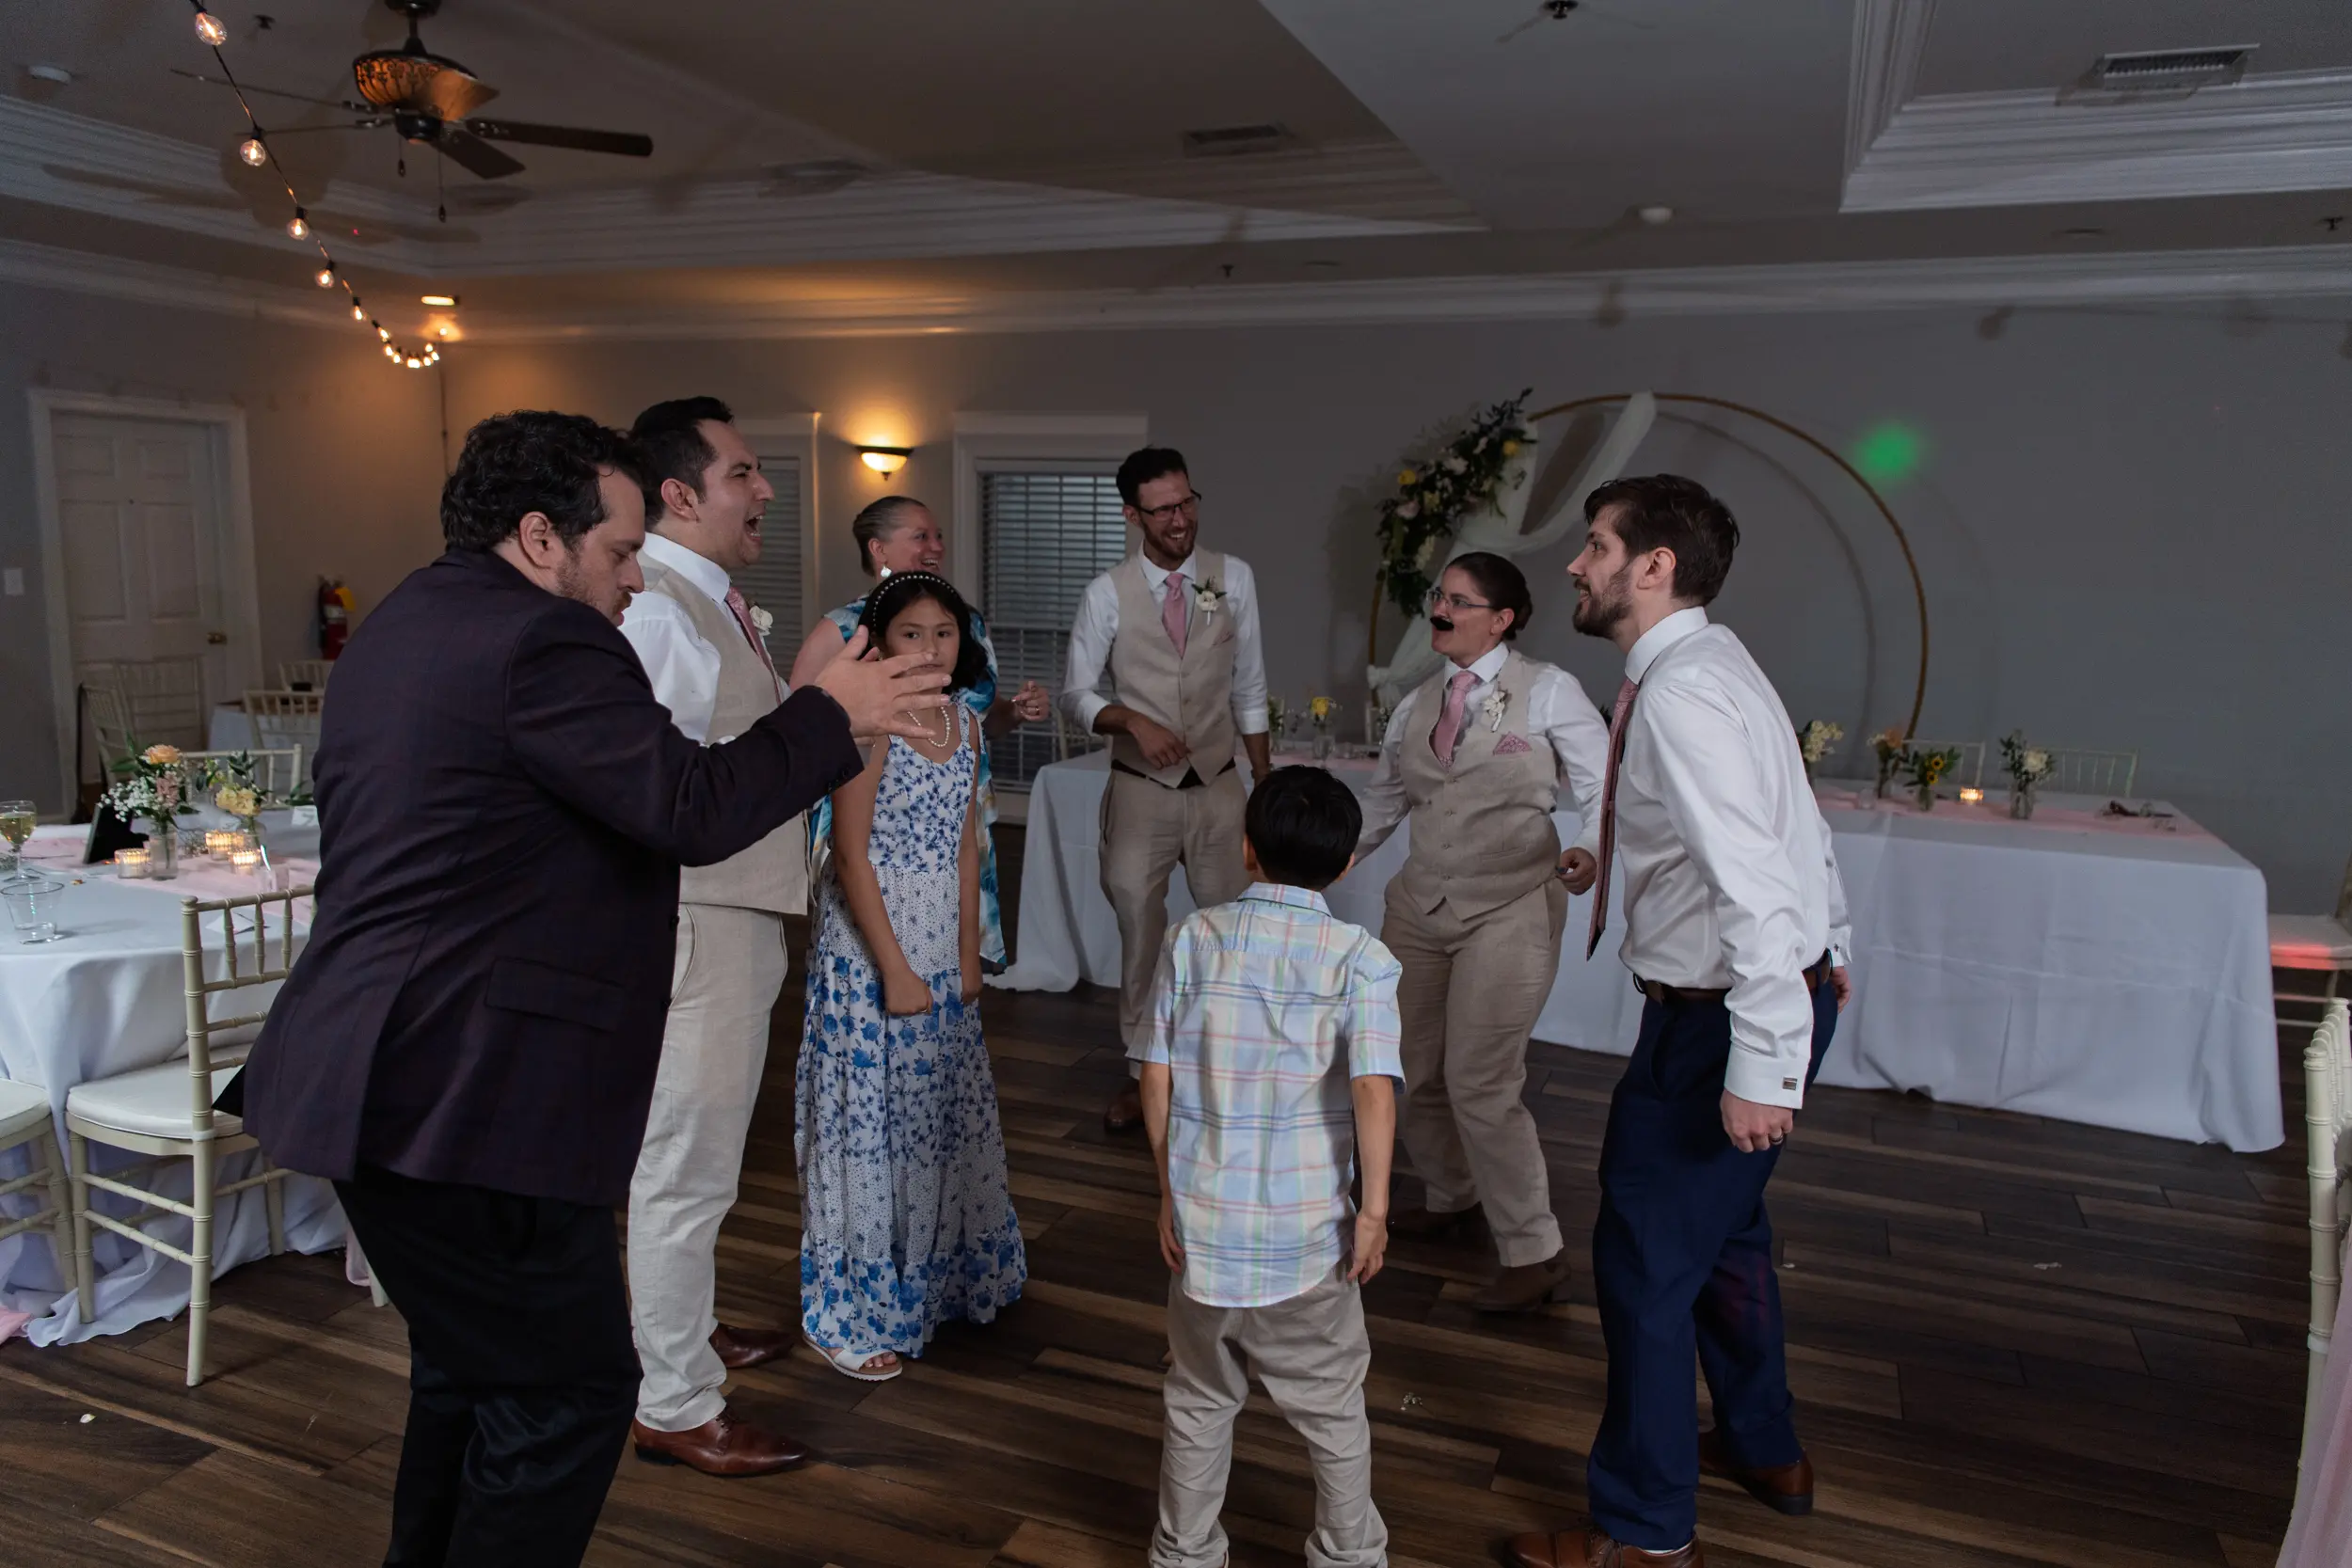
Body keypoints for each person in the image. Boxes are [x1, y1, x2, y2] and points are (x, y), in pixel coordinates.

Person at [231, 410, 948, 1568]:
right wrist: (833, 713)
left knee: (471, 1377)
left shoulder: (408, 616)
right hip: (466, 1091)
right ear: (537, 538)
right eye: (618, 551)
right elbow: (686, 807)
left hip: (373, 1066)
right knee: (570, 1392)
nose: (633, 578)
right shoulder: (543, 641)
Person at [1504, 476, 1852, 1568]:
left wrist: (1765, 1058)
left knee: (1644, 1265)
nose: (1576, 563)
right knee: (1726, 1237)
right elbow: (1788, 825)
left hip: (1719, 1023)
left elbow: (1750, 875)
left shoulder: (1684, 692)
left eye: (1596, 545)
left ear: (1653, 565)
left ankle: (1643, 1530)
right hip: (1755, 997)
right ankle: (1763, 1445)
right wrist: (1831, 949)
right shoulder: (1708, 660)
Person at [609, 396, 807, 1475]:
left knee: (701, 1159)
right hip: (699, 916)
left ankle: (684, 1331)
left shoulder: (702, 598)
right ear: (679, 495)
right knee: (684, 1166)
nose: (763, 489)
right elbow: (664, 794)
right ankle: (676, 1401)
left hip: (732, 911)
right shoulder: (657, 613)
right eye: (743, 472)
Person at [1139, 766, 1400, 1568]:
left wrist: (1167, 1191)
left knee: (1198, 1397)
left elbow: (1155, 1073)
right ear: (1347, 864)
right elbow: (1373, 1088)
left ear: (1246, 848)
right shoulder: (1361, 959)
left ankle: (1185, 1552)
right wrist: (1374, 1213)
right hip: (1307, 1242)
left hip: (1204, 1233)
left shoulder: (1191, 938)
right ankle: (1348, 1552)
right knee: (1332, 1405)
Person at [1355, 552, 1608, 1314]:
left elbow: (1605, 789)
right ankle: (1452, 1191)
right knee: (1410, 1064)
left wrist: (1589, 848)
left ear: (1500, 620)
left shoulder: (1551, 690)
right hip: (1419, 907)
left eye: (1459, 600)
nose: (1441, 607)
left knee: (1481, 1079)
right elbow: (1383, 804)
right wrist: (1317, 860)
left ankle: (1535, 1251)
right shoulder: (1415, 704)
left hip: (1512, 905)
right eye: (1440, 594)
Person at [797, 570, 1026, 1379]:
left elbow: (967, 845)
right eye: (911, 634)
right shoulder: (869, 725)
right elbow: (849, 854)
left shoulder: (965, 724)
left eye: (944, 633)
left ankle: (938, 1276)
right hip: (873, 939)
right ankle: (852, 1308)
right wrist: (894, 970)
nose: (930, 649)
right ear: (880, 643)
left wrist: (967, 953)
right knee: (874, 1117)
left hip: (938, 934)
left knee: (936, 1111)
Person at [1064, 447, 1272, 1132]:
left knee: (1233, 933)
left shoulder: (1233, 577)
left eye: (1187, 503)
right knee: (1141, 938)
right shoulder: (1106, 593)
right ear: (1133, 515)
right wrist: (1130, 720)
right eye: (1163, 510)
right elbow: (1076, 695)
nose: (1180, 520)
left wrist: (1263, 783)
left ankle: (1229, 1072)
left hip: (1219, 785)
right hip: (1140, 790)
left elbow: (1250, 687)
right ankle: (1143, 1075)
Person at [787, 495, 1052, 972]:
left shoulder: (966, 621)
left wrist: (1014, 712)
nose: (936, 546)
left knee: (956, 963)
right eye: (921, 536)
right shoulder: (841, 628)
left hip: (957, 817)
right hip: (880, 825)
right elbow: (798, 729)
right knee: (882, 967)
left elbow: (979, 721)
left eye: (939, 536)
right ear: (879, 549)